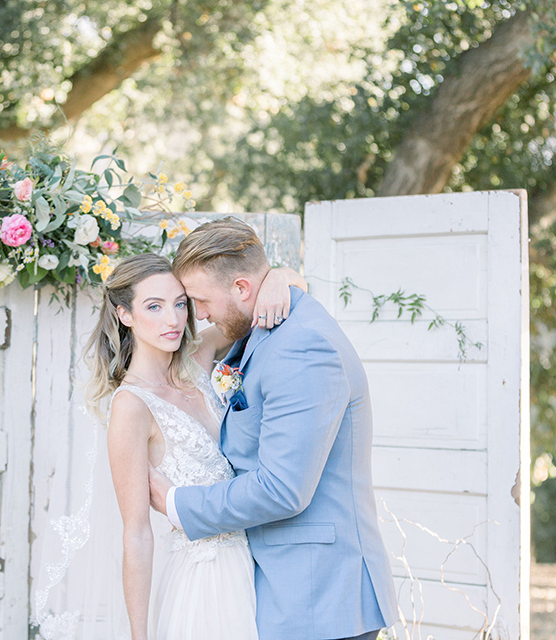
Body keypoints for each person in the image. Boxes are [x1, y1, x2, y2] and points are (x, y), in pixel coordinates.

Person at [148, 217, 399, 640]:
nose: (199, 315)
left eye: (199, 300)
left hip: (320, 597)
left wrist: (177, 504)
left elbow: (282, 488)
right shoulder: (268, 324)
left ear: (243, 289)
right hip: (291, 592)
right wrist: (284, 276)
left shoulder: (302, 347)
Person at [81, 252, 305, 640]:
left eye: (180, 304)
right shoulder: (131, 407)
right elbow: (136, 533)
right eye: (154, 306)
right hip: (204, 582)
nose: (172, 319)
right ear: (124, 314)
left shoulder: (198, 359)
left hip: (257, 568)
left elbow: (287, 291)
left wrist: (278, 276)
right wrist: (139, 635)